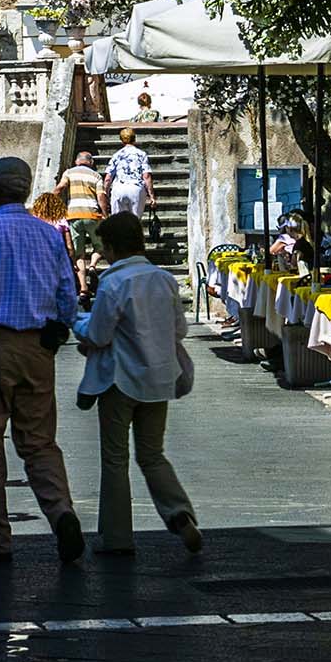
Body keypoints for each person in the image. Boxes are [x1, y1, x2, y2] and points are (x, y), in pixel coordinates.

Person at [0, 156, 82, 566]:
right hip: (38, 346)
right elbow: (67, 292)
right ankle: (61, 512)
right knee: (39, 441)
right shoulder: (48, 235)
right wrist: (60, 327)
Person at [75, 211, 201, 558]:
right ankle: (179, 513)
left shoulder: (114, 283)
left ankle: (117, 537)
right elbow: (179, 331)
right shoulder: (163, 279)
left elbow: (99, 334)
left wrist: (78, 326)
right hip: (158, 378)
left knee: (115, 459)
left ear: (112, 246)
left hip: (119, 380)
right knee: (152, 454)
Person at [57, 150, 107, 290]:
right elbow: (101, 197)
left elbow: (61, 187)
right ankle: (92, 266)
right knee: (100, 247)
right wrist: (105, 214)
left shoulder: (69, 172)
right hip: (92, 214)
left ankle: (84, 288)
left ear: (76, 161)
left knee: (79, 254)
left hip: (73, 215)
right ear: (91, 162)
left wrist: (50, 199)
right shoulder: (96, 175)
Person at [104, 128, 153, 219]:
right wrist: (151, 196)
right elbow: (146, 176)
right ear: (134, 139)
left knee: (118, 222)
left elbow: (108, 178)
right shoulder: (141, 154)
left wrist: (106, 194)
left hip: (118, 189)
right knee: (134, 222)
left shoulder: (116, 155)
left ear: (121, 140)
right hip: (136, 189)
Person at [269, 211, 314, 276]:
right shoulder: (306, 242)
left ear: (289, 229)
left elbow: (294, 265)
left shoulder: (298, 245)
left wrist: (286, 261)